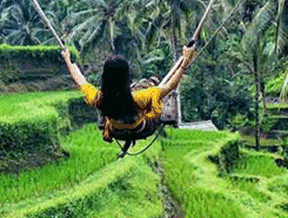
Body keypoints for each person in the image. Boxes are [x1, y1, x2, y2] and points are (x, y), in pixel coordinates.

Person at [61, 42, 197, 143]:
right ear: (127, 77)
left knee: (148, 89)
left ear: (104, 77)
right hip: (144, 129)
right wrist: (185, 61)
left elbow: (80, 81)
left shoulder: (99, 98)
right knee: (150, 86)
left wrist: (68, 60)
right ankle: (148, 83)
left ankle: (146, 84)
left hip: (116, 132)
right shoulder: (139, 98)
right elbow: (169, 87)